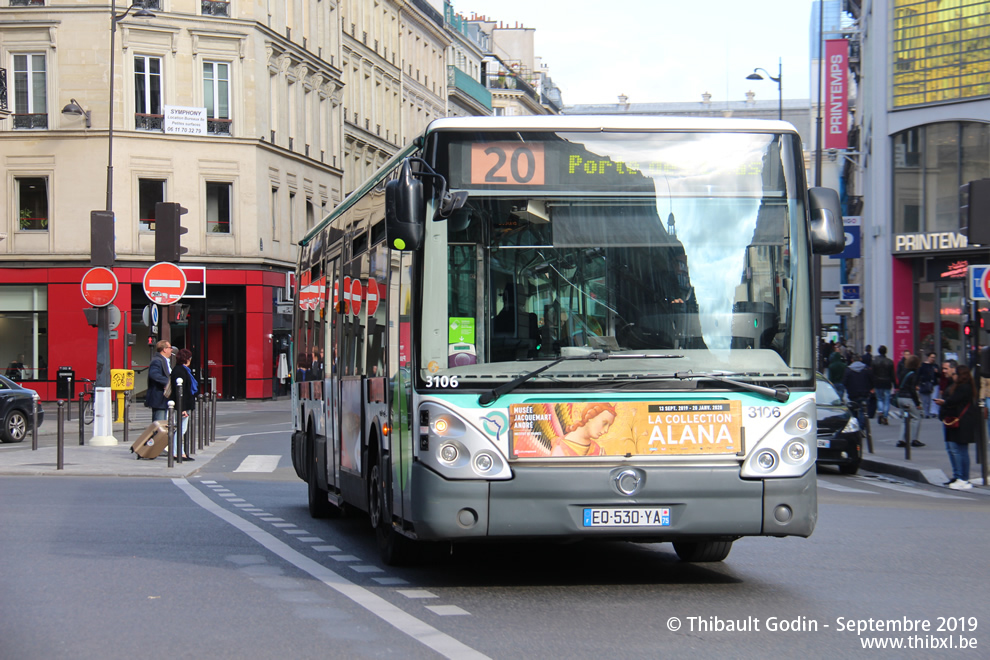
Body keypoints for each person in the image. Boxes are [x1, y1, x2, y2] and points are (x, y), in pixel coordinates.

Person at [934, 363, 977, 489]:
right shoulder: (963, 386)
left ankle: (962, 478)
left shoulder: (963, 387)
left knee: (958, 450)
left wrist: (944, 403)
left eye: (956, 374)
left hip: (961, 422)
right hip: (959, 421)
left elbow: (953, 401)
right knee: (958, 449)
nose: (954, 376)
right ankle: (960, 476)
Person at [551, 403, 617, 457]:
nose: (606, 430)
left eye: (609, 426)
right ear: (590, 416)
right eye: (604, 423)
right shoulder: (560, 447)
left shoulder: (597, 449)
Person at [169, 348, 197, 461]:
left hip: (184, 404)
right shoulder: (180, 371)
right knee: (181, 429)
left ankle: (180, 452)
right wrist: (182, 408)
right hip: (182, 405)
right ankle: (177, 452)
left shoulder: (182, 370)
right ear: (187, 359)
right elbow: (180, 391)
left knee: (181, 429)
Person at [894, 354, 924, 447]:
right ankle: (914, 439)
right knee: (916, 417)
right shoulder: (913, 374)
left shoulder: (903, 372)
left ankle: (901, 440)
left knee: (904, 419)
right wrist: (917, 403)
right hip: (908, 398)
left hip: (900, 398)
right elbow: (912, 389)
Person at [842, 353, 874, 426]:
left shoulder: (848, 370)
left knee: (853, 412)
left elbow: (844, 382)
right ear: (860, 359)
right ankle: (861, 428)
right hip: (864, 394)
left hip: (852, 394)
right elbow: (872, 380)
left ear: (852, 360)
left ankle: (856, 426)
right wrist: (871, 388)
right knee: (863, 411)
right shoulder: (866, 369)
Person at [145, 340, 172, 422]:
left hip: (163, 398)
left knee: (162, 422)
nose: (171, 350)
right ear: (164, 349)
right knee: (159, 424)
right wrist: (168, 382)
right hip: (159, 397)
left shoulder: (164, 360)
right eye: (170, 348)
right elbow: (154, 375)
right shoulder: (157, 360)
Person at [871, 345, 895, 425]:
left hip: (877, 382)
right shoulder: (889, 361)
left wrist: (871, 384)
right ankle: (885, 416)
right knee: (887, 399)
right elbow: (892, 374)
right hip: (887, 382)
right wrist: (895, 384)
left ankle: (880, 411)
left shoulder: (875, 361)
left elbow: (872, 373)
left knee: (879, 398)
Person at [917, 352, 938, 419]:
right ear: (928, 357)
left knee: (931, 400)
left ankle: (930, 412)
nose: (933, 359)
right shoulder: (922, 365)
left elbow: (939, 375)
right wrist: (917, 384)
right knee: (925, 400)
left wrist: (937, 372)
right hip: (924, 384)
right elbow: (918, 375)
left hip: (933, 384)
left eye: (934, 357)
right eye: (932, 357)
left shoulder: (935, 366)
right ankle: (926, 413)